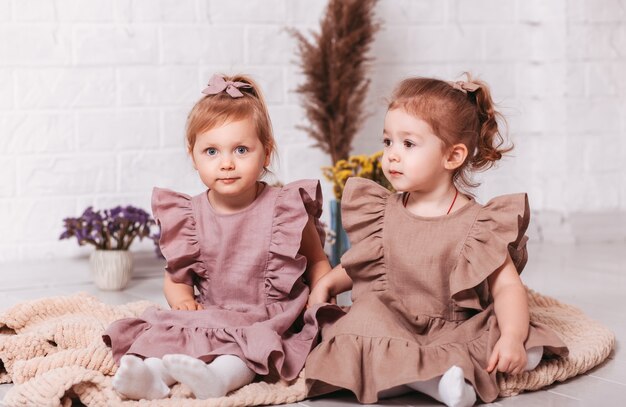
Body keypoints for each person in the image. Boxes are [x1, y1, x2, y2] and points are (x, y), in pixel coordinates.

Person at [305, 75, 569, 406]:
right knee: (352, 329)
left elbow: (506, 288)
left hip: (454, 326)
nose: (392, 156)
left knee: (521, 341)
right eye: (388, 142)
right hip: (393, 321)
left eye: (408, 144)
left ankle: (434, 376)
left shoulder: (478, 225)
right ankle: (437, 383)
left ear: (452, 156)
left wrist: (514, 337)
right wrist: (327, 284)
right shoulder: (384, 213)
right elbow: (363, 263)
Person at [103, 74, 342, 401]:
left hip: (266, 316)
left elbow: (316, 260)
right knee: (168, 332)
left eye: (241, 149)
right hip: (211, 313)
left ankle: (218, 379)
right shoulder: (189, 216)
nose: (227, 163)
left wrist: (321, 297)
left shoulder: (284, 209)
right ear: (194, 155)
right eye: (212, 151)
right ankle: (152, 375)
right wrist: (182, 301)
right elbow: (175, 278)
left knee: (249, 349)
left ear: (266, 153)